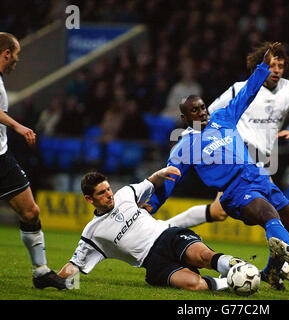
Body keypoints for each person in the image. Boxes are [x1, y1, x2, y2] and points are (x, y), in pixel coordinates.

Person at [147, 43, 289, 290]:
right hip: (235, 190)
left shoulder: (222, 117)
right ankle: (278, 247)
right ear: (185, 118)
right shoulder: (186, 145)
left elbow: (248, 91)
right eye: (195, 110)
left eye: (203, 107)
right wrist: (152, 205)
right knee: (270, 216)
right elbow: (170, 177)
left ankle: (272, 271)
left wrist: (263, 65)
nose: (202, 112)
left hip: (258, 175)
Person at [57, 167, 248, 292]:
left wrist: (162, 173)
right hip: (153, 263)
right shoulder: (93, 233)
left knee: (204, 257)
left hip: (168, 236)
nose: (109, 195)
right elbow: (75, 263)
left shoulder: (125, 194)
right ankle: (232, 282)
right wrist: (55, 279)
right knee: (193, 285)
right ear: (89, 199)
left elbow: (149, 183)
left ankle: (242, 270)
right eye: (102, 193)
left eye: (108, 189)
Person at [0, 32, 66, 289]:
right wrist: (18, 126)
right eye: (16, 54)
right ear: (7, 53)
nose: (17, 59)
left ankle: (41, 272)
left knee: (30, 211)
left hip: (2, 158)